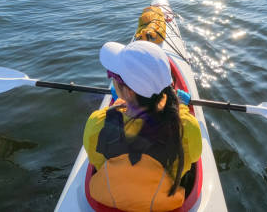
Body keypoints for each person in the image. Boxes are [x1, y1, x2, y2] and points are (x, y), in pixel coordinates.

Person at [83, 40, 202, 211]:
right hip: (165, 204)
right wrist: (181, 106)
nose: (111, 79)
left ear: (128, 92)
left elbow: (98, 162)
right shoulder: (187, 127)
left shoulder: (97, 123)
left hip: (109, 198)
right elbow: (191, 159)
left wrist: (119, 103)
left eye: (113, 76)